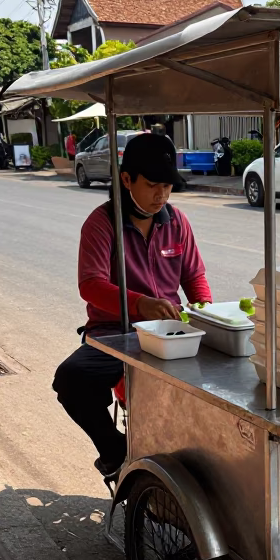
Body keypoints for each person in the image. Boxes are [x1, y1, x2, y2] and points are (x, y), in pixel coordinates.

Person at [53, 134, 211, 478]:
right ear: (127, 179)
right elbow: (90, 285)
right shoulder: (101, 223)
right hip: (115, 332)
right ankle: (115, 452)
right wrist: (141, 304)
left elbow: (194, 276)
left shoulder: (178, 222)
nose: (161, 195)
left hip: (168, 331)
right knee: (71, 379)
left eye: (167, 186)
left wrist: (206, 314)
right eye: (152, 184)